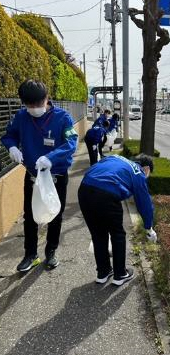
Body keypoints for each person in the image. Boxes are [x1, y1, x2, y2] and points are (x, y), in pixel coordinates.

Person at [1, 79, 78, 272]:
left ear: (47, 98)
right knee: (30, 215)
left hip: (56, 175)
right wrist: (11, 147)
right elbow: (8, 135)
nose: (34, 108)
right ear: (23, 103)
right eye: (29, 105)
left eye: (38, 104)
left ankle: (51, 251)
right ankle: (30, 254)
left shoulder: (63, 118)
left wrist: (51, 158)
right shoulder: (21, 117)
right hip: (32, 175)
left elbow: (71, 143)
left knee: (55, 214)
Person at [78, 154, 157, 286]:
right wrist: (149, 227)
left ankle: (103, 273)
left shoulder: (115, 157)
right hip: (107, 194)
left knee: (98, 233)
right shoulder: (138, 172)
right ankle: (120, 274)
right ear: (147, 168)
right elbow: (145, 203)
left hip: (84, 189)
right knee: (117, 234)